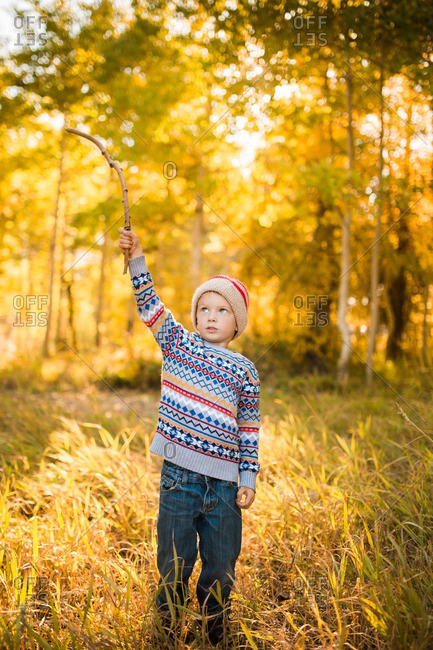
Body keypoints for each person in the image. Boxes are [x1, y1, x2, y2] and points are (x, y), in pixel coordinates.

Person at [118, 228, 260, 645]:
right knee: (175, 561)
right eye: (204, 308)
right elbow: (150, 305)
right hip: (178, 479)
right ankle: (167, 626)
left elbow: (249, 430)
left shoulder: (245, 370)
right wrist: (138, 258)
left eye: (222, 310)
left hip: (225, 485)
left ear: (238, 323)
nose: (211, 316)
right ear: (195, 316)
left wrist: (248, 477)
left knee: (220, 563)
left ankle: (214, 624)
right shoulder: (179, 344)